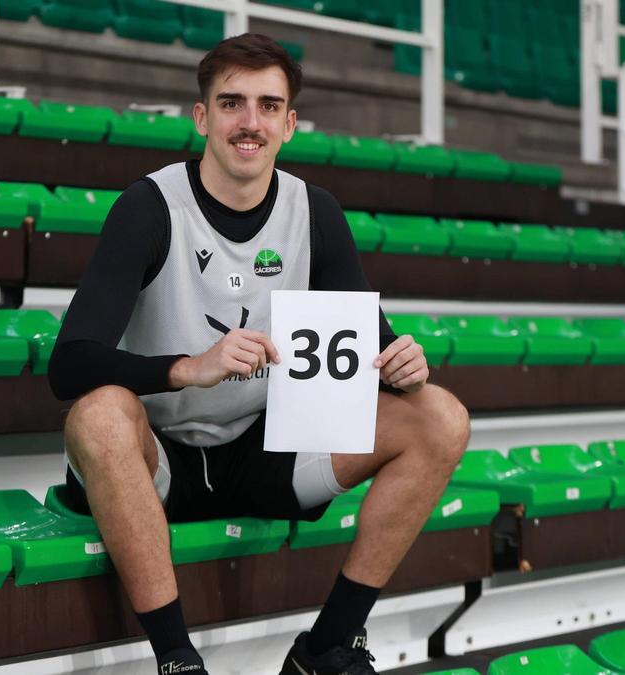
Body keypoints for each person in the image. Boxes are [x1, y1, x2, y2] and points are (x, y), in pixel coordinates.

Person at [48, 33, 469, 675]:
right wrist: (189, 367)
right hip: (159, 462)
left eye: (269, 106)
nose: (251, 122)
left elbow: (372, 344)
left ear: (290, 123)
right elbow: (69, 364)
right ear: (202, 117)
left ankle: (328, 644)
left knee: (439, 415)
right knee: (97, 415)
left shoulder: (315, 211)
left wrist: (404, 363)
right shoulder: (150, 207)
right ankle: (177, 660)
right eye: (232, 103)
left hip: (263, 451)